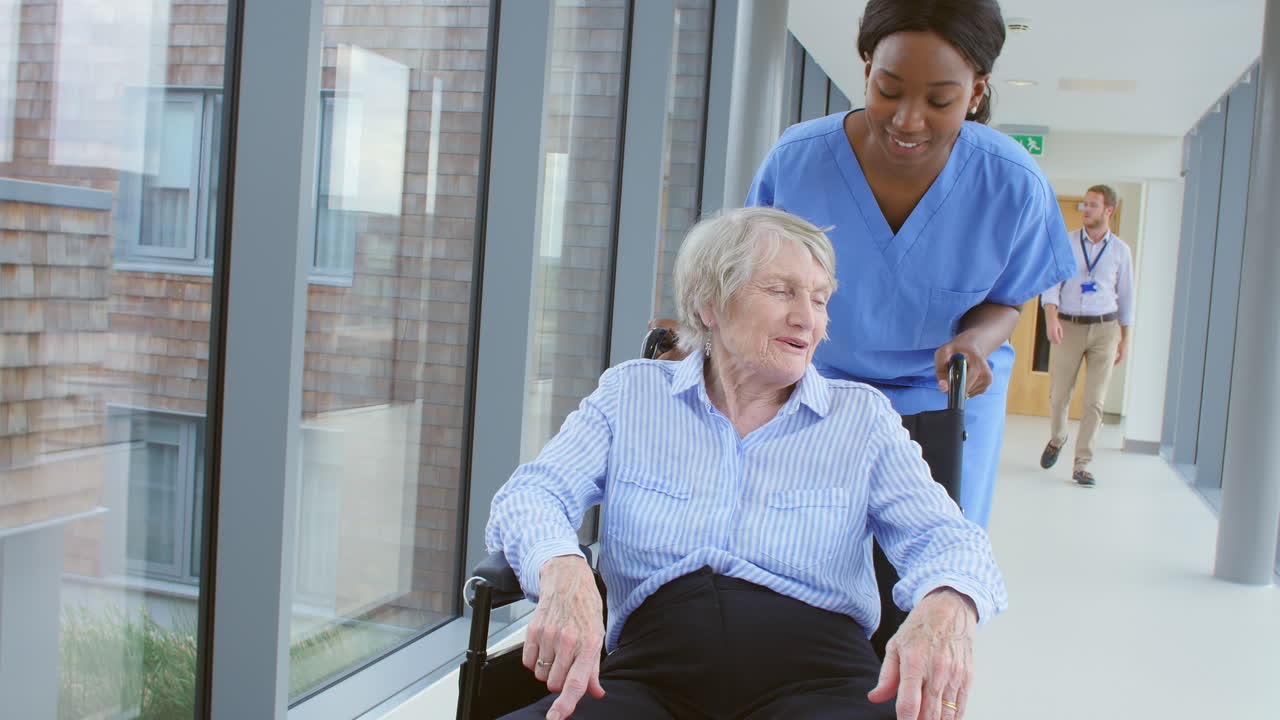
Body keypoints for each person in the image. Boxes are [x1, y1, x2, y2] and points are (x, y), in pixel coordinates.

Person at [487, 207, 1007, 720]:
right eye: (782, 291)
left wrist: (948, 601)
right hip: (650, 679)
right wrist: (561, 565)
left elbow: (948, 538)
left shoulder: (861, 418)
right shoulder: (632, 395)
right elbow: (530, 495)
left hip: (821, 683)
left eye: (820, 299)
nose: (808, 316)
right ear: (709, 304)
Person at [736, 0, 1078, 529]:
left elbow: (1006, 301)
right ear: (867, 66)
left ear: (977, 92)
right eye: (888, 90)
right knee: (800, 549)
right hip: (817, 383)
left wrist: (974, 343)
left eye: (940, 100)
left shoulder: (1011, 183)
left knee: (934, 559)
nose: (907, 120)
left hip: (946, 394)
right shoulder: (798, 160)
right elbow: (751, 277)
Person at [1038, 185, 1135, 487]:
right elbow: (1051, 284)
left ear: (1109, 211)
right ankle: (1058, 437)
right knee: (1059, 396)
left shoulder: (1120, 251)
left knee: (1095, 401)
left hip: (1106, 330)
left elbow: (1127, 296)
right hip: (1069, 326)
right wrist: (1051, 318)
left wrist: (1125, 339)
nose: (1086, 210)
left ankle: (1082, 464)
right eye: (1084, 205)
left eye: (1093, 205)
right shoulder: (1066, 243)